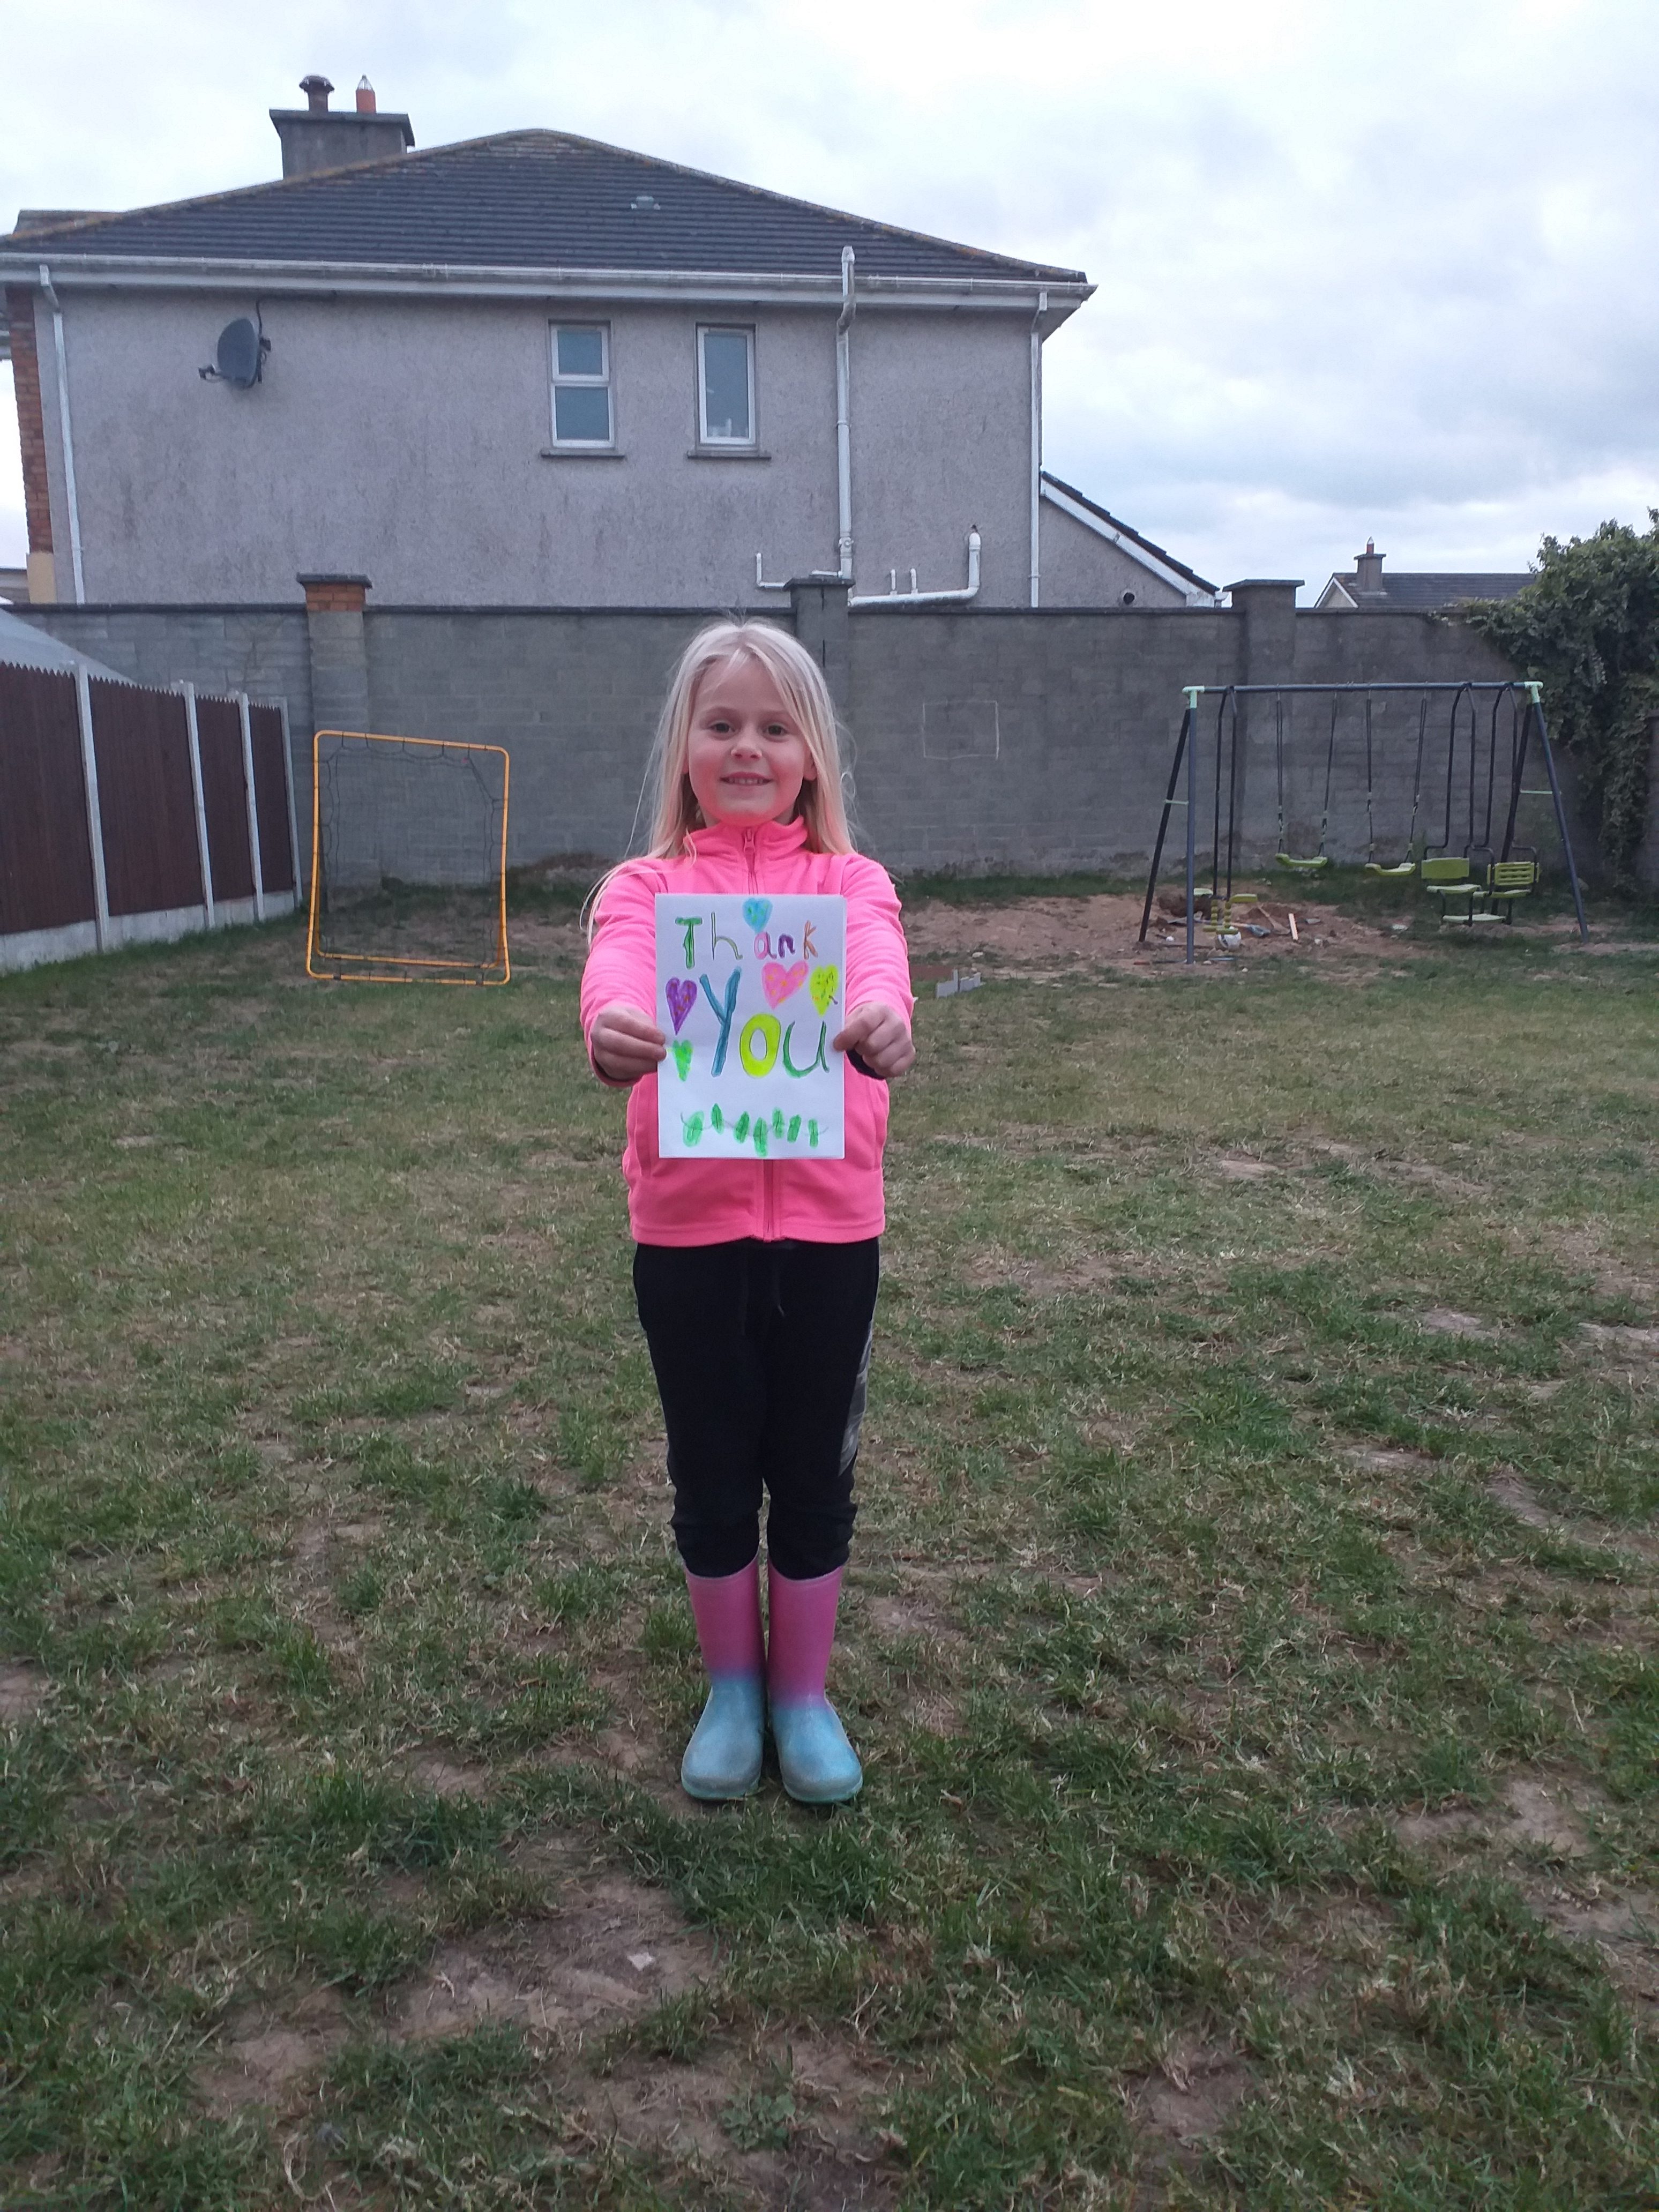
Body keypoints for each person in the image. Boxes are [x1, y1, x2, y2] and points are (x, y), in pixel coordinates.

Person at [580, 619, 915, 1804]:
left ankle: (801, 1696)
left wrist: (886, 1021)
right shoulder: (645, 889)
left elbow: (878, 969)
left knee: (815, 1473)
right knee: (713, 1469)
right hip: (690, 1240)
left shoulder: (854, 884)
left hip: (830, 1239)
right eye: (720, 724)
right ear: (684, 746)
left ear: (812, 754)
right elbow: (618, 974)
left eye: (775, 728)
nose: (747, 748)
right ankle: (732, 1688)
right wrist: (610, 1029)